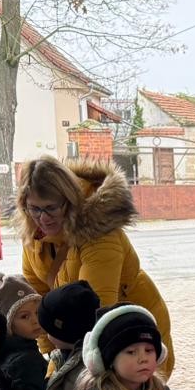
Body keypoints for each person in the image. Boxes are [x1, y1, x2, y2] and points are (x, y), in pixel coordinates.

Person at [16, 156, 175, 376]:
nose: (43, 218)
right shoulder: (34, 233)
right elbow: (40, 301)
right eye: (34, 209)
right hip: (75, 332)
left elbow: (96, 314)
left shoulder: (100, 236)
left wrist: (64, 368)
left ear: (69, 200)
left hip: (130, 333)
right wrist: (52, 351)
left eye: (51, 208)